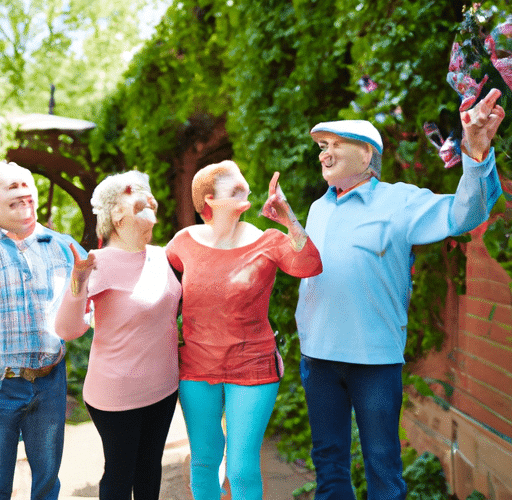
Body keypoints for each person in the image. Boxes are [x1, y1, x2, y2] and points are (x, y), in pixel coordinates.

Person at [295, 88, 505, 500]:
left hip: (373, 360)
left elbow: (465, 213)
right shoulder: (318, 208)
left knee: (383, 466)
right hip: (318, 358)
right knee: (329, 463)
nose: (324, 153)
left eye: (336, 145)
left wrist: (476, 155)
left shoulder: (399, 202)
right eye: (322, 146)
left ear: (368, 156)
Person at [165, 160, 322, 500]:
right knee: (204, 461)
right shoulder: (183, 243)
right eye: (234, 189)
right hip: (195, 369)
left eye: (245, 186)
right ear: (210, 200)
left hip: (252, 367)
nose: (247, 191)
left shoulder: (268, 240)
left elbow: (310, 264)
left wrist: (287, 217)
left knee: (240, 467)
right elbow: (160, 289)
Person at [55, 170, 181, 500]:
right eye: (138, 193)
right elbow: (68, 330)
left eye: (150, 192)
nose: (151, 197)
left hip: (165, 388)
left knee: (151, 469)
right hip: (118, 395)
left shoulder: (161, 255)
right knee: (120, 474)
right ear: (116, 213)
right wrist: (78, 283)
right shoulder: (98, 262)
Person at [0, 161, 87, 500]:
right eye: (11, 188)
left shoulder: (64, 248)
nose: (22, 191)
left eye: (27, 185)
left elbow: (97, 297)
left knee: (48, 481)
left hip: (50, 381)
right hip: (2, 385)